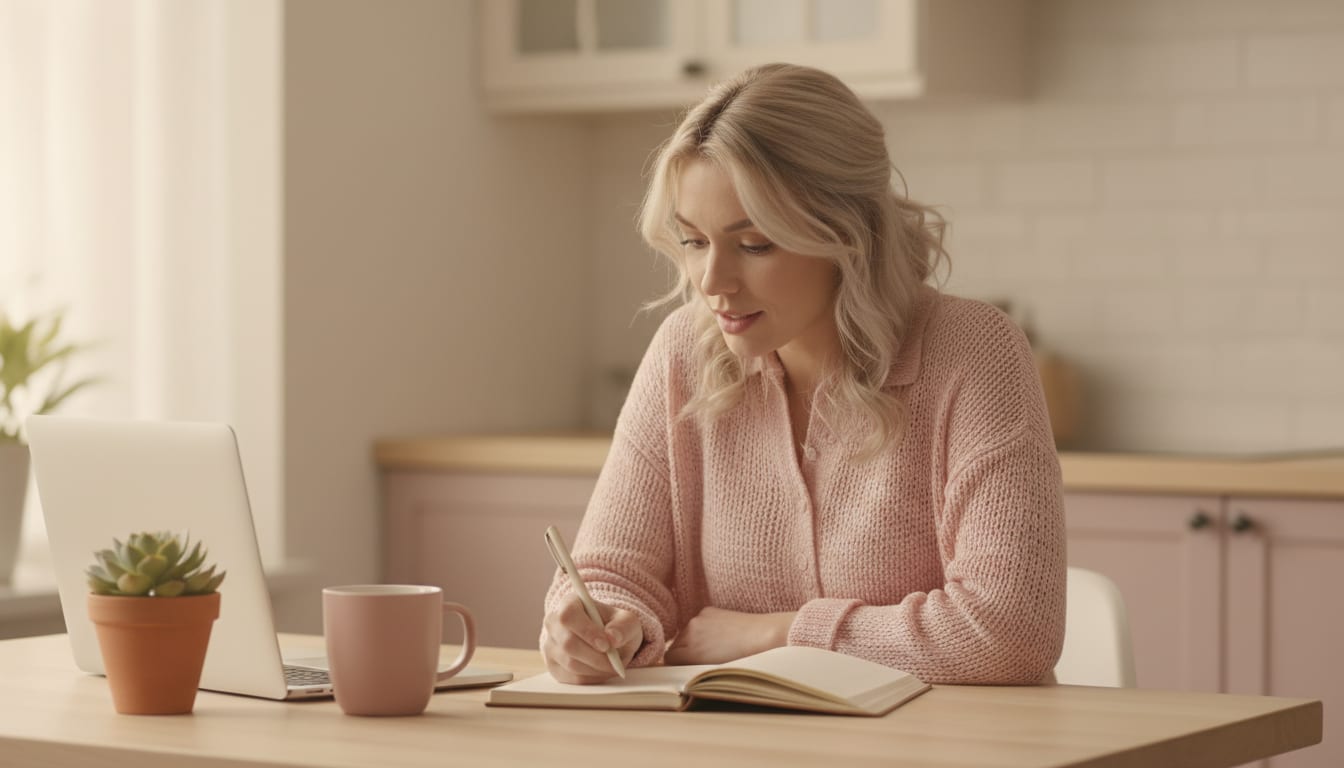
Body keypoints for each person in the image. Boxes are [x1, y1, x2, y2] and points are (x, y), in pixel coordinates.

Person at [540, 63, 1065, 686]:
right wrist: (601, 623)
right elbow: (612, 573)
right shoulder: (685, 351)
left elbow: (1011, 632)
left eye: (755, 244)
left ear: (847, 232)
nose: (712, 283)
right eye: (694, 241)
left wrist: (782, 635)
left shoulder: (972, 351)